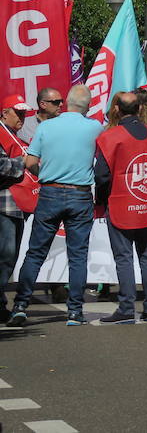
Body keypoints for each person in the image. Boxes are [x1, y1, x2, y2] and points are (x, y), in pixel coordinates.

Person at [7, 85, 103, 327]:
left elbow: (29, 162)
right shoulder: (94, 127)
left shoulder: (47, 126)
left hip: (50, 191)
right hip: (80, 194)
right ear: (88, 106)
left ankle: (20, 305)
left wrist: (46, 173)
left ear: (68, 103)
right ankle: (75, 311)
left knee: (36, 252)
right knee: (78, 256)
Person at [93, 92, 147, 324]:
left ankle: (126, 308)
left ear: (117, 110)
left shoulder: (110, 137)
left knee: (124, 258)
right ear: (139, 110)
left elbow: (101, 176)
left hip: (119, 204)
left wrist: (102, 200)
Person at [0, 96, 27, 323]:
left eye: (24, 113)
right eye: (18, 113)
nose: (22, 117)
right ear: (5, 112)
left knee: (10, 257)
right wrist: (23, 163)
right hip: (3, 205)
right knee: (6, 256)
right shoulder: (3, 135)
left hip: (15, 204)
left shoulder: (14, 137)